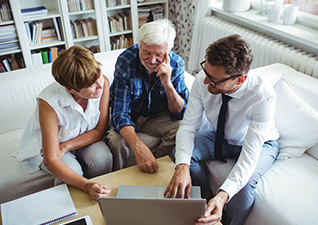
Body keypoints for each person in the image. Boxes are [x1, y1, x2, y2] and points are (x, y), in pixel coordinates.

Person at [164, 34, 280, 225]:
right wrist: (182, 166)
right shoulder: (204, 79)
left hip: (261, 144)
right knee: (182, 154)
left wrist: (223, 195)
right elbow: (188, 126)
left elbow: (250, 155)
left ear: (240, 79)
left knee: (242, 190)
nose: (205, 82)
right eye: (206, 72)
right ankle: (205, 199)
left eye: (215, 80)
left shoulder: (263, 97)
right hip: (222, 137)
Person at [13, 45, 113, 201]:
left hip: (80, 138)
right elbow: (52, 159)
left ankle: (105, 200)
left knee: (102, 157)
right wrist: (86, 185)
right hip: (47, 147)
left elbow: (100, 129)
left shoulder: (102, 83)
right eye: (91, 85)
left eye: (98, 76)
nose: (100, 85)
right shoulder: (49, 102)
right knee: (72, 171)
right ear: (70, 89)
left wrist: (66, 146)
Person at [107, 19, 189, 173]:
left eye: (158, 55)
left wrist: (168, 85)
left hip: (158, 117)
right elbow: (120, 113)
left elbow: (179, 112)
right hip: (132, 116)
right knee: (117, 142)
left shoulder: (176, 64)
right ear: (140, 45)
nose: (152, 60)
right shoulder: (126, 62)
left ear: (168, 51)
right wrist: (139, 148)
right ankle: (119, 177)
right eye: (146, 52)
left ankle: (158, 171)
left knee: (182, 128)